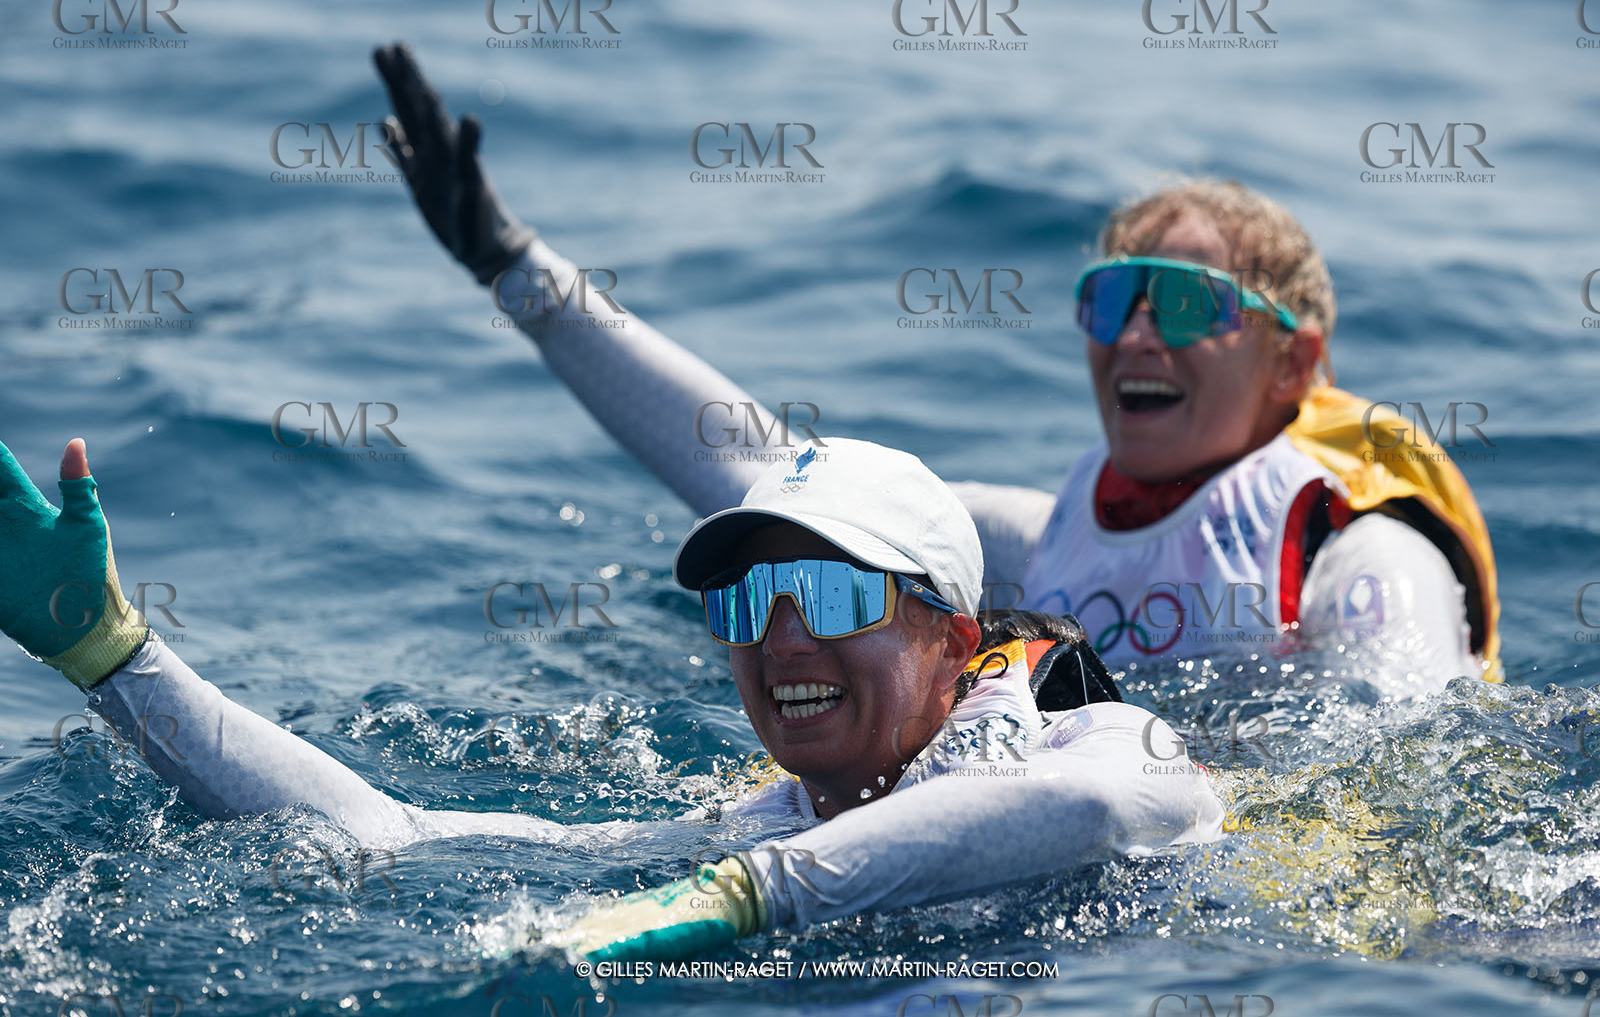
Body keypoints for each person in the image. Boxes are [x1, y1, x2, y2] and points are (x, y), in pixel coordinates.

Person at [370, 43, 1503, 695]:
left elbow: (1400, 776)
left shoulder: (1360, 548)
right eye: (1110, 299)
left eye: (1191, 303)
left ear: (1294, 359)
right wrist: (513, 269)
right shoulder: (1040, 534)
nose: (1136, 335)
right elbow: (771, 480)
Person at [0, 435, 1222, 960]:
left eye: (833, 593)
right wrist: (112, 655)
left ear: (955, 637)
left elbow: (1087, 813)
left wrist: (744, 899)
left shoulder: (1100, 732)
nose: (780, 634)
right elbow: (400, 838)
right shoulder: (761, 820)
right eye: (745, 601)